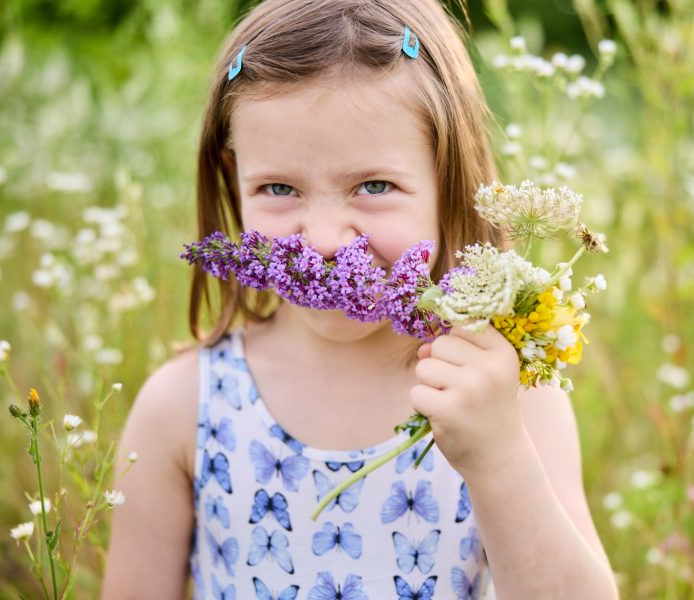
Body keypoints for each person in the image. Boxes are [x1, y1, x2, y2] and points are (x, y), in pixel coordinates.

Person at [102, 0, 618, 598]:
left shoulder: (508, 393)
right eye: (278, 187)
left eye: (374, 185)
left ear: (448, 182)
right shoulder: (184, 406)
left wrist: (499, 459)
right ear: (233, 176)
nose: (324, 240)